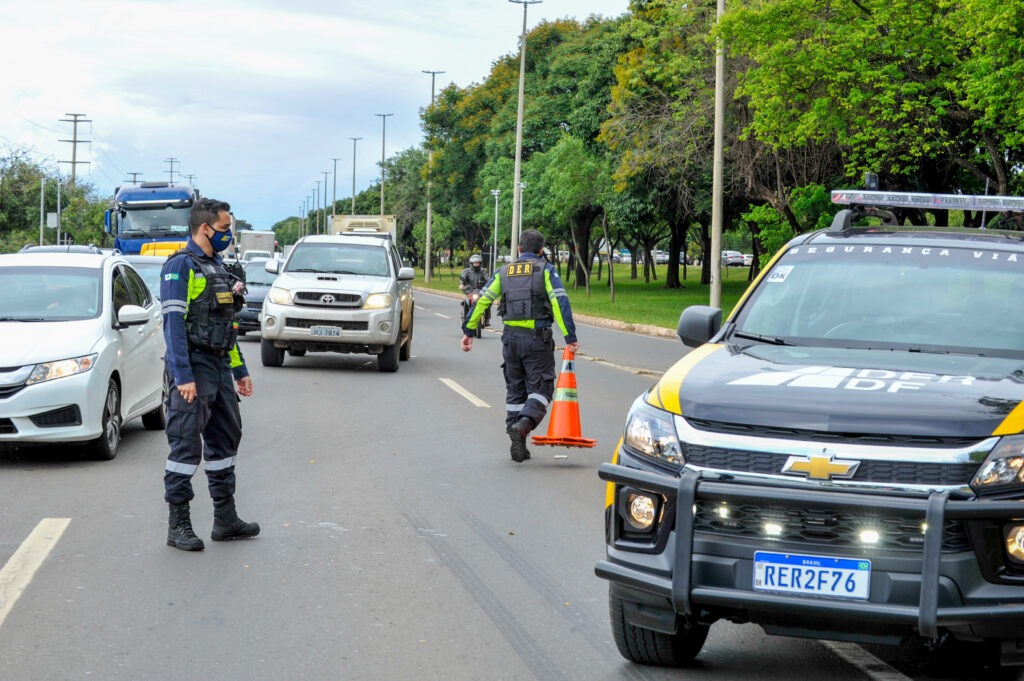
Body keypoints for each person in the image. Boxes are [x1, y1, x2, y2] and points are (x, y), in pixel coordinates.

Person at [159, 197, 260, 551]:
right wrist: (182, 375)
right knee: (185, 444)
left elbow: (226, 325)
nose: (228, 234)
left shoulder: (218, 267)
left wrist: (240, 370)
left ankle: (225, 518)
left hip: (218, 365)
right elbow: (173, 325)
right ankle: (179, 524)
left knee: (226, 439)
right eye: (224, 228)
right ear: (205, 228)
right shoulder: (180, 267)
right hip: (194, 366)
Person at [460, 229, 579, 462]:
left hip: (510, 340)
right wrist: (570, 337)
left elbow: (483, 299)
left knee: (516, 391)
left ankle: (519, 444)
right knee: (541, 390)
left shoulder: (503, 272)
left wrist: (468, 331)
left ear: (518, 249)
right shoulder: (546, 270)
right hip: (537, 340)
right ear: (541, 250)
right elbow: (559, 303)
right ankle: (522, 427)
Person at [459, 253, 491, 326]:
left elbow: (488, 279)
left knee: (487, 303)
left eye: (478, 263)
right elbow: (462, 279)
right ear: (471, 263)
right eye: (475, 263)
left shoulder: (483, 271)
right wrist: (461, 284)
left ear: (480, 263)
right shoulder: (466, 271)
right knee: (466, 302)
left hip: (480, 291)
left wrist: (490, 284)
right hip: (470, 291)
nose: (476, 264)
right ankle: (465, 318)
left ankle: (487, 319)